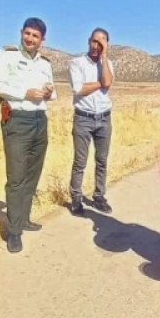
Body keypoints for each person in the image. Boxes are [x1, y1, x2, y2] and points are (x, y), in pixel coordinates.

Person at [0, 17, 57, 253]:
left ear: (42, 40)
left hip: (39, 120)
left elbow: (51, 93)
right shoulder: (7, 55)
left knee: (32, 172)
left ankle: (24, 217)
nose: (30, 38)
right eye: (27, 33)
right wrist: (24, 93)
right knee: (16, 176)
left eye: (35, 36)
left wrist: (48, 92)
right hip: (17, 120)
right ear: (21, 33)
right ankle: (14, 231)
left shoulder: (45, 63)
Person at [67, 28, 115, 216]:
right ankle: (76, 198)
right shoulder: (77, 63)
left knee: (102, 160)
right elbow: (79, 89)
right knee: (80, 161)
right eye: (95, 41)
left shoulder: (108, 64)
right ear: (89, 41)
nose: (97, 46)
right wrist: (100, 83)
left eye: (102, 43)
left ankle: (99, 196)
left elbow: (108, 82)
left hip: (104, 118)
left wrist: (105, 56)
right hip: (83, 118)